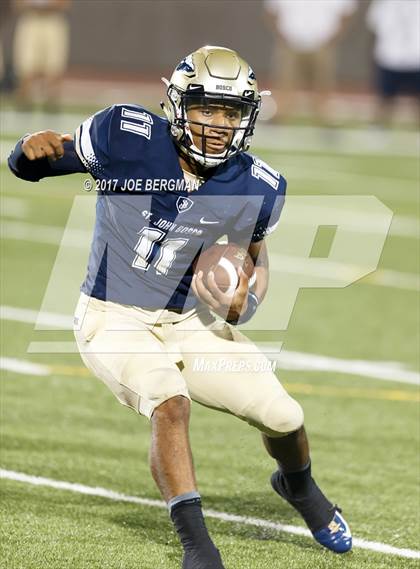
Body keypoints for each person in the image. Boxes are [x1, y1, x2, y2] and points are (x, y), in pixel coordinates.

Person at [8, 46, 352, 569]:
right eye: (206, 108)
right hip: (113, 316)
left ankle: (299, 488)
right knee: (170, 403)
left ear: (247, 118)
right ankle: (198, 546)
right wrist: (27, 150)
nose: (217, 125)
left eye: (230, 113)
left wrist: (245, 299)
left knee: (285, 416)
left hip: (190, 320)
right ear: (177, 104)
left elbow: (255, 260)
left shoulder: (257, 184)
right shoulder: (127, 135)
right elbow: (34, 163)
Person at [263, 0, 357, 122]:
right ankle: (280, 117)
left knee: (322, 86)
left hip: (323, 43)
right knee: (285, 84)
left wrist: (333, 38)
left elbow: (347, 12)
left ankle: (323, 120)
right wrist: (282, 36)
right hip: (290, 43)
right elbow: (270, 11)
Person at [366, 0, 420, 126]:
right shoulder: (383, 3)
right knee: (385, 100)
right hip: (390, 57)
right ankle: (379, 129)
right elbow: (374, 25)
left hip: (416, 58)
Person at [12, 0, 70, 109]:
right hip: (31, 19)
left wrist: (48, 5)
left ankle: (51, 105)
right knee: (26, 66)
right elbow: (17, 4)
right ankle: (24, 103)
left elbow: (64, 4)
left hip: (52, 20)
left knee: (54, 66)